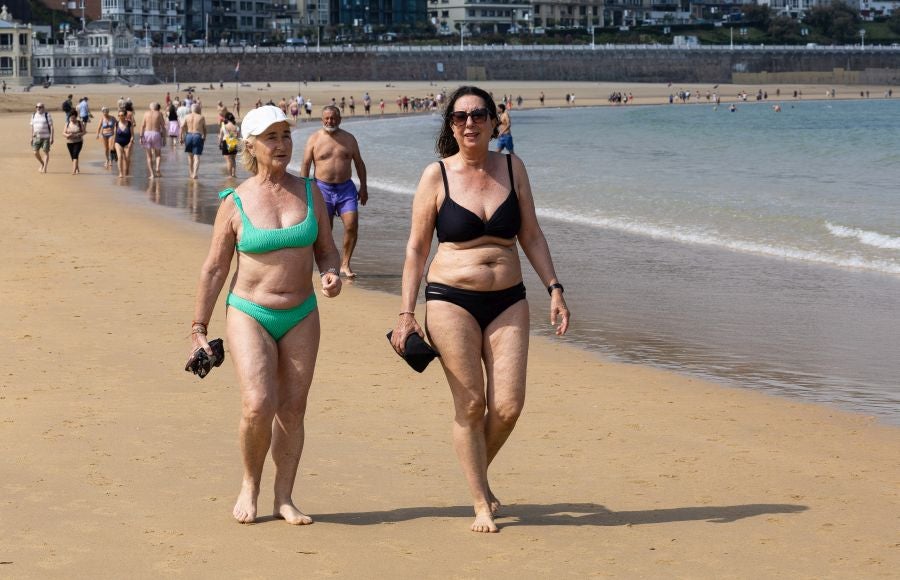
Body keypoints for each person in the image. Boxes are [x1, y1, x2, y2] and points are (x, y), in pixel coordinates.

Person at [389, 86, 570, 534]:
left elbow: (531, 234)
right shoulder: (436, 176)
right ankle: (480, 502)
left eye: (479, 115)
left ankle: (475, 471)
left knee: (507, 407)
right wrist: (406, 313)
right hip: (451, 298)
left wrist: (555, 287)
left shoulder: (513, 167)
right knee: (470, 404)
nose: (470, 123)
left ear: (494, 120)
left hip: (509, 298)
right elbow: (416, 248)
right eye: (460, 116)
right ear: (450, 125)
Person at [185, 105, 342, 525]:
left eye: (286, 135)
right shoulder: (234, 201)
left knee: (292, 408)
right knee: (257, 404)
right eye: (271, 137)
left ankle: (284, 497)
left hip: (301, 313)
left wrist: (330, 273)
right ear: (251, 145)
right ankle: (249, 484)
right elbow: (216, 267)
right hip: (249, 311)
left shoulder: (310, 192)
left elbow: (326, 250)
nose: (281, 144)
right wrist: (199, 326)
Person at [301, 105, 368, 278]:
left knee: (352, 225)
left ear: (339, 119)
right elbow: (306, 164)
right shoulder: (314, 139)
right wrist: (305, 188)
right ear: (322, 119)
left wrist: (364, 187)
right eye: (327, 118)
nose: (330, 121)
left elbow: (359, 163)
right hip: (322, 188)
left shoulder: (349, 139)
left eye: (333, 118)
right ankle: (326, 264)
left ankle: (345, 264)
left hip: (346, 189)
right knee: (325, 229)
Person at [139, 102, 166, 178]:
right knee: (158, 154)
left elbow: (142, 126)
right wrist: (164, 138)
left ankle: (152, 174)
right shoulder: (159, 114)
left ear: (150, 107)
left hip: (147, 134)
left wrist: (141, 137)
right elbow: (163, 126)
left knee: (149, 156)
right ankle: (157, 168)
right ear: (156, 107)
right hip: (156, 133)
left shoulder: (146, 113)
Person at [182, 103, 207, 179]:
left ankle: (191, 172)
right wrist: (204, 137)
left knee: (190, 156)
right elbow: (205, 129)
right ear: (198, 109)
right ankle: (195, 174)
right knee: (197, 157)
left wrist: (181, 137)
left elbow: (182, 126)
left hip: (189, 135)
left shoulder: (187, 116)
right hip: (197, 136)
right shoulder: (201, 117)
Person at [30, 102, 54, 173]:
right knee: (35, 152)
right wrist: (31, 137)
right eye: (37, 107)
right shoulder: (33, 115)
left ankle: (45, 168)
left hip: (46, 137)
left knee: (46, 152)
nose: (38, 108)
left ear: (43, 108)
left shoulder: (47, 115)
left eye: (40, 107)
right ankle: (42, 163)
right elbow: (32, 126)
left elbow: (51, 127)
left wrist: (51, 137)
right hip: (36, 137)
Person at [63, 109, 86, 175]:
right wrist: (67, 135)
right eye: (70, 117)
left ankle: (73, 171)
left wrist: (78, 135)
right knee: (73, 157)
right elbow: (63, 133)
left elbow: (84, 132)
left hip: (78, 142)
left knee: (75, 155)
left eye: (73, 117)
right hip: (69, 143)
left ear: (76, 117)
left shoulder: (79, 123)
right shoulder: (67, 123)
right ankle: (77, 168)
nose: (72, 119)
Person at [113, 109, 134, 177]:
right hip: (118, 142)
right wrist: (113, 144)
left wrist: (131, 142)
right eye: (119, 115)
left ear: (125, 116)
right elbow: (114, 134)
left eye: (122, 115)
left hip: (127, 143)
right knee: (120, 157)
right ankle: (120, 173)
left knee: (127, 158)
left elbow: (132, 135)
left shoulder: (129, 123)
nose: (120, 117)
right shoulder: (116, 123)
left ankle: (126, 170)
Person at [218, 111, 239, 177]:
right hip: (234, 141)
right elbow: (238, 137)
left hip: (226, 142)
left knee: (228, 160)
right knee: (233, 159)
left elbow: (220, 137)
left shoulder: (224, 126)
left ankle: (230, 175)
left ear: (226, 119)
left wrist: (220, 144)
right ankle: (234, 174)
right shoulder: (237, 127)